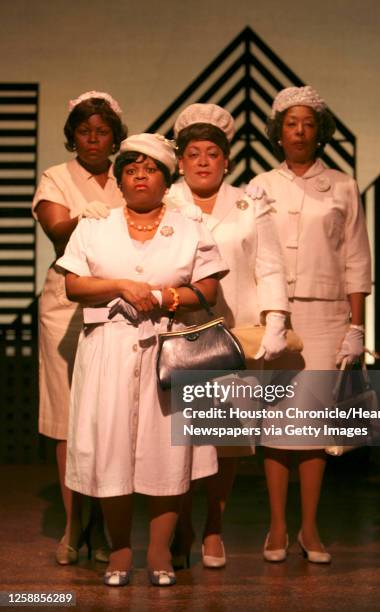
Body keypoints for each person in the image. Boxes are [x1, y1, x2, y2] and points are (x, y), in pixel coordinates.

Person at [56, 133, 229, 587]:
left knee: (166, 450)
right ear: (120, 178)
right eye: (130, 169)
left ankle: (158, 552)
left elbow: (208, 290)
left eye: (149, 169)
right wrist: (119, 285)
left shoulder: (189, 225)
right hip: (108, 346)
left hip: (167, 348)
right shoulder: (96, 224)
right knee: (111, 446)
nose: (139, 176)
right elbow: (73, 285)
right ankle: (119, 548)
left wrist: (166, 295)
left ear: (166, 177)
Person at [248, 86, 372, 563]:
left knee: (315, 425)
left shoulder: (342, 185)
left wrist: (355, 327)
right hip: (276, 313)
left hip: (324, 315)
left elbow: (356, 258)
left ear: (320, 132)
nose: (298, 131)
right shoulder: (261, 185)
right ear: (277, 132)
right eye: (290, 123)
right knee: (277, 422)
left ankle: (310, 527)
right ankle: (277, 526)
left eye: (307, 123)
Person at [170, 103, 290, 569]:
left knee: (229, 438)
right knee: (179, 436)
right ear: (180, 161)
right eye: (194, 153)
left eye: (213, 153)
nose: (203, 161)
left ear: (226, 161)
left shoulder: (249, 202)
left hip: (235, 331)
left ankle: (214, 529)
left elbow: (270, 263)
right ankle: (179, 524)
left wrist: (276, 317)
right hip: (179, 330)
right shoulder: (167, 199)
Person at [32, 91, 127, 565]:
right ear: (72, 136)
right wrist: (78, 220)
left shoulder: (129, 175)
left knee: (108, 415)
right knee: (69, 417)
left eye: (102, 130)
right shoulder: (57, 177)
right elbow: (53, 228)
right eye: (85, 130)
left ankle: (109, 527)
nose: (93, 138)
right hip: (65, 309)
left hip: (117, 304)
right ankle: (73, 526)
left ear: (115, 137)